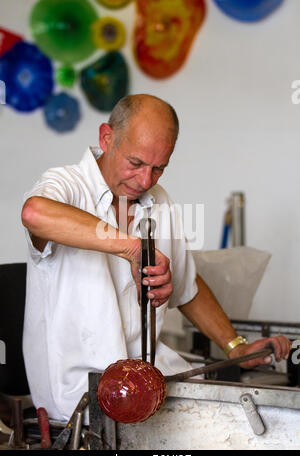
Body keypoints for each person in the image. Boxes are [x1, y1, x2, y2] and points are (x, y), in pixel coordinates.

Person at [21, 94, 290, 422]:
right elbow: (35, 214)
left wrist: (234, 346)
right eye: (135, 164)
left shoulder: (157, 200)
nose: (145, 181)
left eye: (159, 168)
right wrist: (134, 249)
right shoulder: (66, 185)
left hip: (150, 380)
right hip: (80, 399)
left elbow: (187, 286)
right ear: (107, 138)